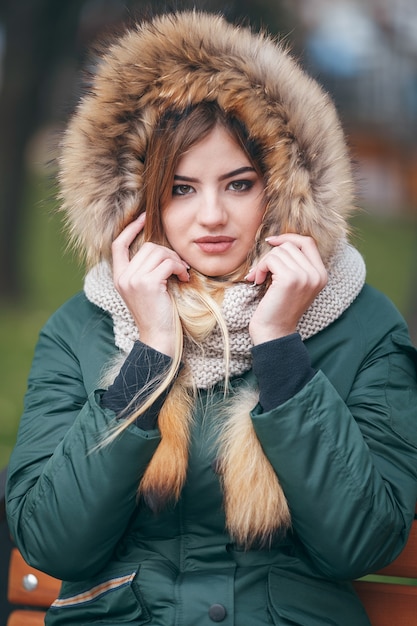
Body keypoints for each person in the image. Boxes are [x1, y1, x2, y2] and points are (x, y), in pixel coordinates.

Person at [5, 10, 417, 626]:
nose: (213, 217)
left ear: (282, 188)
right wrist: (148, 352)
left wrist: (280, 347)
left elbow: (358, 544)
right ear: (141, 200)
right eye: (181, 188)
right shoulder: (86, 325)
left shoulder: (360, 322)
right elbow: (53, 542)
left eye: (240, 184)